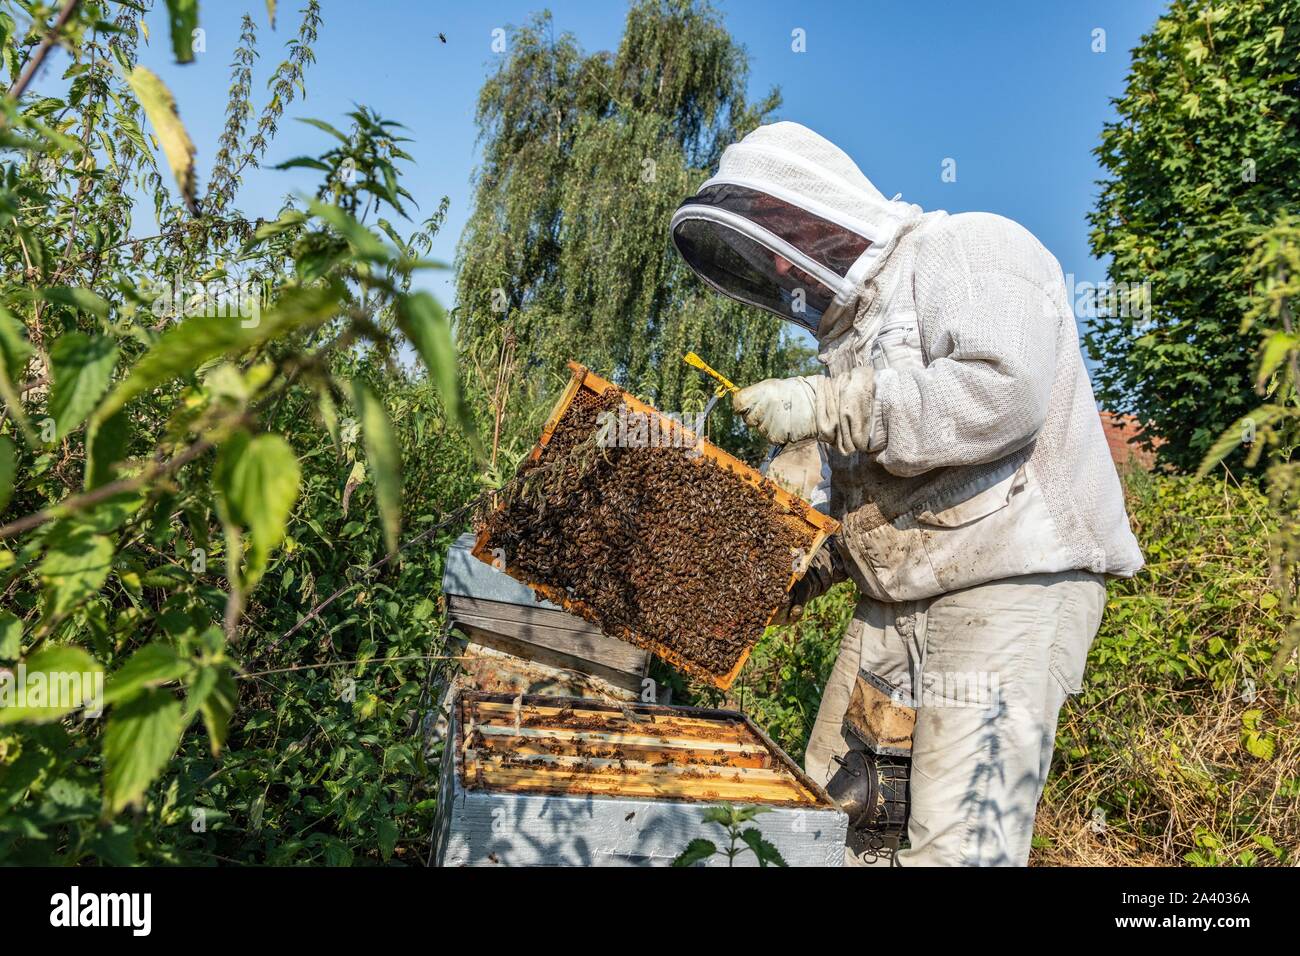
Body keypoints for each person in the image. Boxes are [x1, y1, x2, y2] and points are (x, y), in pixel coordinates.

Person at [669, 121, 1143, 866]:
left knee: (954, 847)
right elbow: (876, 500)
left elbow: (1003, 392)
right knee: (837, 819)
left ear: (808, 213)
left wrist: (828, 405)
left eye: (777, 250)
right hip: (895, 603)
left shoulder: (970, 248)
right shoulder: (849, 338)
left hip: (1006, 592)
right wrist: (807, 563)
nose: (782, 276)